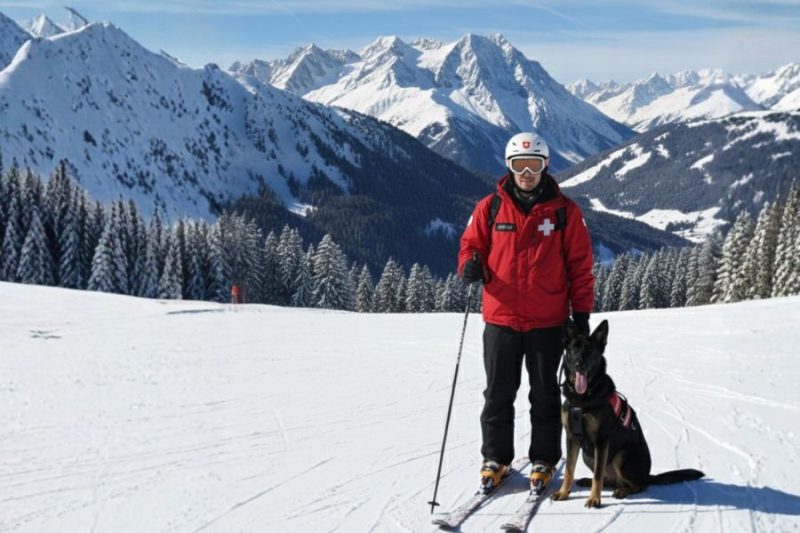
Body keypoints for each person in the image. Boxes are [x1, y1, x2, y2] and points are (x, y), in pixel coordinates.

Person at [458, 132, 594, 492]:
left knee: (545, 394)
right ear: (509, 167)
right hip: (501, 319)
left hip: (547, 322)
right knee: (498, 394)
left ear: (545, 166)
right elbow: (470, 247)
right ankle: (496, 458)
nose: (527, 172)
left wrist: (581, 316)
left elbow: (580, 267)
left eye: (534, 165)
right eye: (520, 165)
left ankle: (544, 459)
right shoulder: (489, 208)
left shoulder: (565, 212)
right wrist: (469, 265)